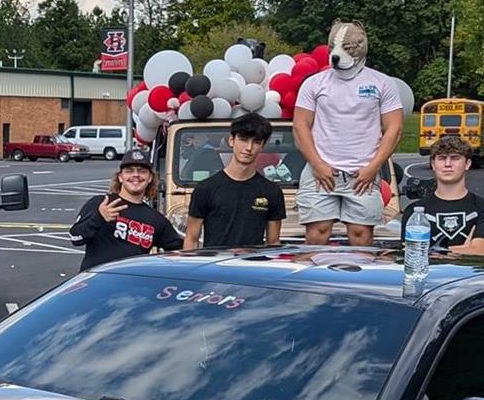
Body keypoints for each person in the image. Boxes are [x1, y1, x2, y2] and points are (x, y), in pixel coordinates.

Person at [293, 21, 404, 246]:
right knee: (317, 234)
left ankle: (356, 279)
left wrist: (373, 168)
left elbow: (395, 127)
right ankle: (316, 280)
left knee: (361, 236)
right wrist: (317, 164)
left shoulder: (381, 83)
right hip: (320, 172)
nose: (337, 55)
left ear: (361, 47)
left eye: (346, 48)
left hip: (362, 173)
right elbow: (300, 125)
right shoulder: (314, 84)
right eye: (333, 47)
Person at [69, 147, 183, 271]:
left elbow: (179, 251)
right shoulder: (100, 203)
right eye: (129, 171)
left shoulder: (156, 219)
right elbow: (75, 238)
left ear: (150, 178)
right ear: (120, 177)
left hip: (131, 286)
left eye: (142, 171)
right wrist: (99, 217)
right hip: (96, 283)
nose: (136, 175)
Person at [185, 113, 286, 249]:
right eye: (243, 139)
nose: (249, 147)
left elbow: (273, 243)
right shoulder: (205, 188)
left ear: (262, 146)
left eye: (256, 142)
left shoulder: (272, 191)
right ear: (231, 140)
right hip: (214, 266)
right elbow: (191, 238)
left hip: (252, 266)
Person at [405, 134, 484, 255]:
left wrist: (430, 251)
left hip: (469, 273)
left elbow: (480, 252)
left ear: (467, 164)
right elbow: (412, 253)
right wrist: (464, 249)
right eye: (442, 158)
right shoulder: (415, 212)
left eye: (455, 158)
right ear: (433, 164)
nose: (448, 164)